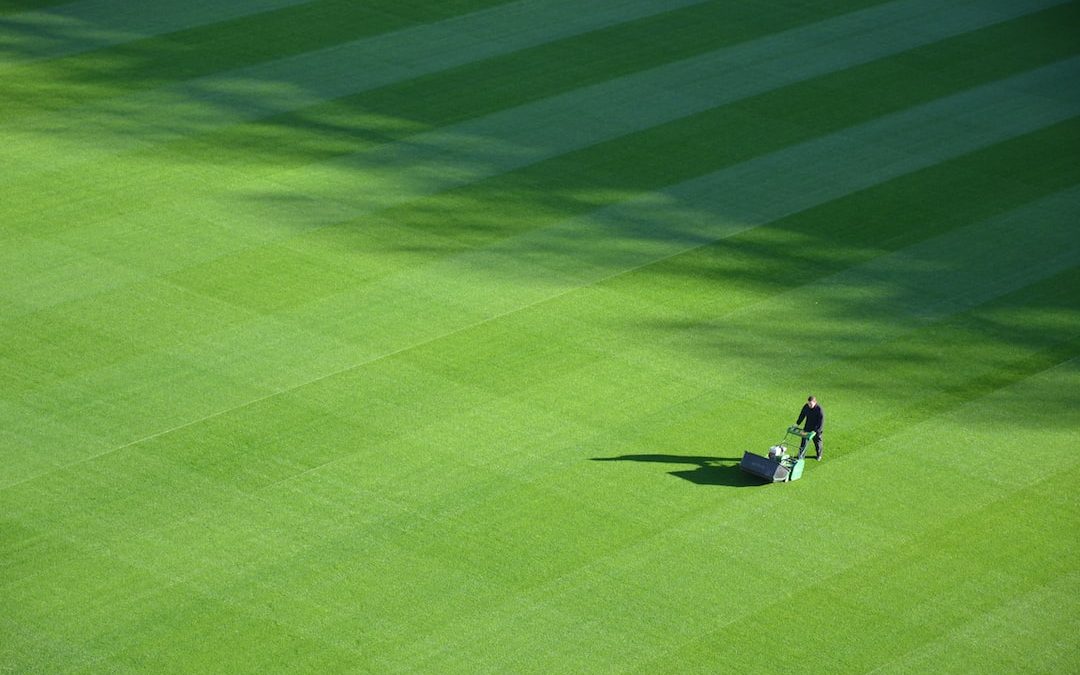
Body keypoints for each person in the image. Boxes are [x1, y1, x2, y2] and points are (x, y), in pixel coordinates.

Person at [796, 395, 824, 460]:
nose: (809, 405)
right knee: (803, 441)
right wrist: (797, 424)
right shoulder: (806, 407)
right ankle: (801, 455)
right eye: (808, 403)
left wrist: (815, 431)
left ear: (815, 402)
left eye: (811, 404)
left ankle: (819, 455)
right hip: (808, 426)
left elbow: (821, 422)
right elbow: (802, 415)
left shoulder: (819, 410)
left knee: (817, 443)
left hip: (817, 429)